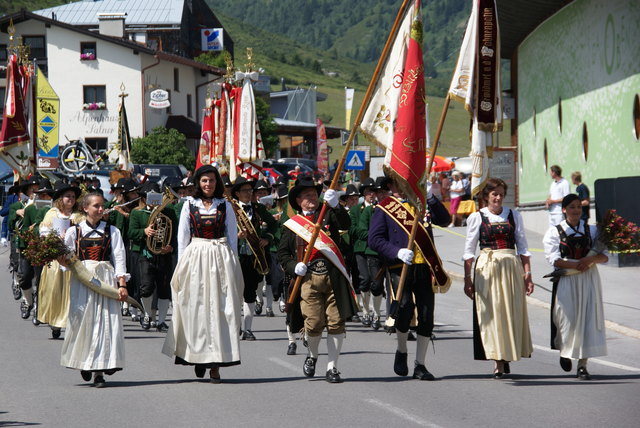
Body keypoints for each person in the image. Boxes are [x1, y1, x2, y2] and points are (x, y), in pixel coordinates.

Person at [162, 165, 243, 383]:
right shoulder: (189, 205)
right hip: (196, 257)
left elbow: (233, 237)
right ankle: (198, 356)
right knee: (196, 308)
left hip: (220, 256)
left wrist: (234, 266)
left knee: (219, 309)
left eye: (212, 181)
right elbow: (182, 238)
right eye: (204, 181)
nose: (208, 185)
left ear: (218, 183)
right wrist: (181, 268)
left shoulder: (225, 205)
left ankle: (215, 364)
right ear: (198, 183)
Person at [277, 177, 358, 383]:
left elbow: (346, 223)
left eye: (313, 194)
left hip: (334, 276)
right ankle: (313, 355)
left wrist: (336, 206)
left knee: (336, 323)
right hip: (308, 279)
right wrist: (294, 266)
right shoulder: (293, 225)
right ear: (298, 200)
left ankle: (332, 367)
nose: (311, 198)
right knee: (313, 324)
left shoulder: (328, 213)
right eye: (306, 195)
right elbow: (283, 255)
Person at [368, 176, 449, 380]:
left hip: (425, 267)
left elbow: (445, 220)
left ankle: (420, 364)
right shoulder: (385, 207)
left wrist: (431, 197)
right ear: (391, 186)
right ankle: (402, 349)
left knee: (426, 314)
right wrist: (396, 251)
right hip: (400, 266)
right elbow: (374, 239)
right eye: (399, 184)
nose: (404, 188)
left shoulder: (422, 204)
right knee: (403, 311)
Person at [463, 177, 534, 378]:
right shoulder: (477, 217)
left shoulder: (514, 215)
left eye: (501, 194)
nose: (498, 198)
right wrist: (468, 279)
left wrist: (527, 275)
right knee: (492, 314)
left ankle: (506, 354)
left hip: (511, 268)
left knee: (510, 313)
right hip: (488, 269)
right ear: (486, 196)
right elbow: (469, 251)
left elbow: (523, 246)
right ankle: (498, 361)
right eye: (494, 194)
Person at [61, 192, 129, 388]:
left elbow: (119, 258)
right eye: (96, 206)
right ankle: (85, 361)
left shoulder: (112, 231)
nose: (100, 209)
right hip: (82, 278)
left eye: (102, 206)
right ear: (85, 208)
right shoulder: (74, 232)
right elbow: (66, 262)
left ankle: (99, 370)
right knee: (85, 321)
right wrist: (59, 257)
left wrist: (122, 284)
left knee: (105, 321)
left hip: (105, 277)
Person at [543, 194, 607, 380]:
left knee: (587, 320)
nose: (576, 210)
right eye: (572, 207)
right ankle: (565, 350)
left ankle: (582, 365)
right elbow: (553, 259)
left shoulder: (592, 230)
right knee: (566, 318)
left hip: (588, 278)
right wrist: (577, 264)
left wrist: (590, 260)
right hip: (568, 279)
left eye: (579, 207)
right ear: (564, 210)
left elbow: (604, 256)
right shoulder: (555, 231)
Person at [230, 177, 278, 339]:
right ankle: (235, 327)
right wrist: (236, 236)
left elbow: (273, 224)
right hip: (235, 257)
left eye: (251, 191)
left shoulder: (258, 208)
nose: (250, 193)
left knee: (250, 293)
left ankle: (248, 329)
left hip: (253, 257)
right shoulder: (230, 209)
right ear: (237, 193)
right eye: (245, 191)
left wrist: (267, 238)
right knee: (235, 293)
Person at [128, 181, 177, 332]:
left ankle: (161, 320)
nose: (154, 201)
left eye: (156, 197)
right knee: (146, 288)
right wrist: (144, 231)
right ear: (144, 198)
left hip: (164, 255)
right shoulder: (137, 213)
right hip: (146, 254)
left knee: (163, 288)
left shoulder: (169, 212)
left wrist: (171, 246)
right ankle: (148, 316)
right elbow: (131, 233)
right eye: (150, 197)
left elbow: (174, 233)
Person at [37, 181, 83, 339]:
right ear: (60, 199)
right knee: (55, 291)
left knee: (73, 293)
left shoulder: (79, 216)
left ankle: (72, 323)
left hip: (72, 260)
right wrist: (55, 237)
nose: (71, 199)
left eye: (73, 196)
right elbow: (43, 232)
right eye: (67, 196)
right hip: (56, 261)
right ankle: (55, 323)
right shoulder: (52, 213)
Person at [352, 178, 384, 330]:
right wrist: (371, 235)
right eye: (368, 192)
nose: (372, 194)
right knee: (364, 279)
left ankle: (377, 314)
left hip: (375, 250)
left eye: (374, 192)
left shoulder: (378, 209)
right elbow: (353, 230)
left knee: (376, 282)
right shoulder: (356, 210)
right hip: (361, 248)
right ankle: (365, 311)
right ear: (364, 194)